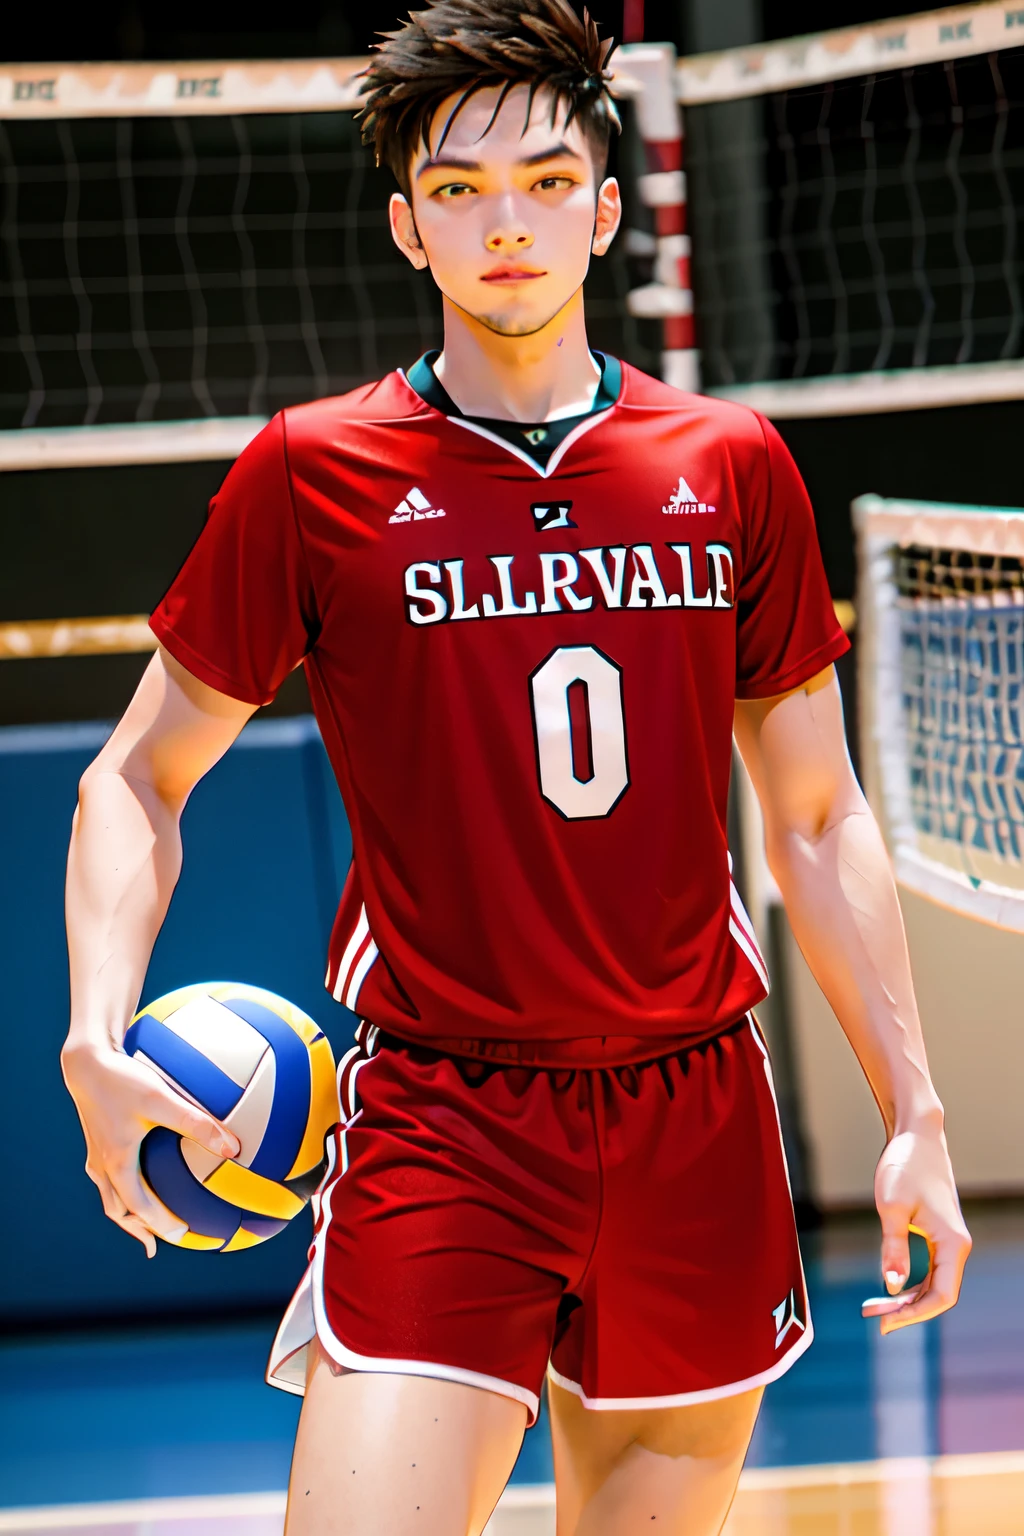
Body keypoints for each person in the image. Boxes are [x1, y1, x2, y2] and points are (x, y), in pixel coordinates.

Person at [62, 2, 972, 1531]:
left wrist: (916, 1113)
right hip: (446, 1113)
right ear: (408, 226)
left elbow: (818, 822)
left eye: (549, 181)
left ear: (608, 211)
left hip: (694, 1115)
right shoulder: (314, 472)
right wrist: (96, 1032)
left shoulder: (731, 465)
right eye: (464, 189)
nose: (510, 222)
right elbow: (133, 781)